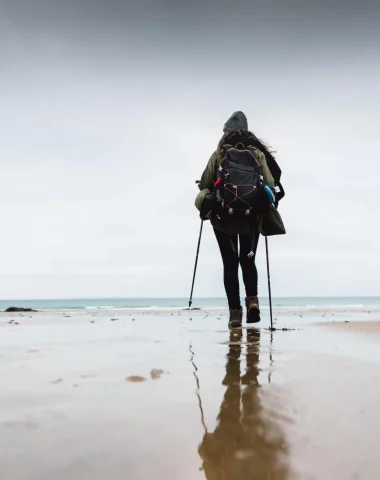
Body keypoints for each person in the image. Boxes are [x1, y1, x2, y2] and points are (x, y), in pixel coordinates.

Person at [196, 111, 277, 329]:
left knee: (230, 264)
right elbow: (269, 182)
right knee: (248, 261)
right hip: (252, 218)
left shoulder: (219, 153)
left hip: (224, 219)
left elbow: (205, 182)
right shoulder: (257, 153)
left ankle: (234, 314)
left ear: (225, 133)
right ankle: (252, 302)